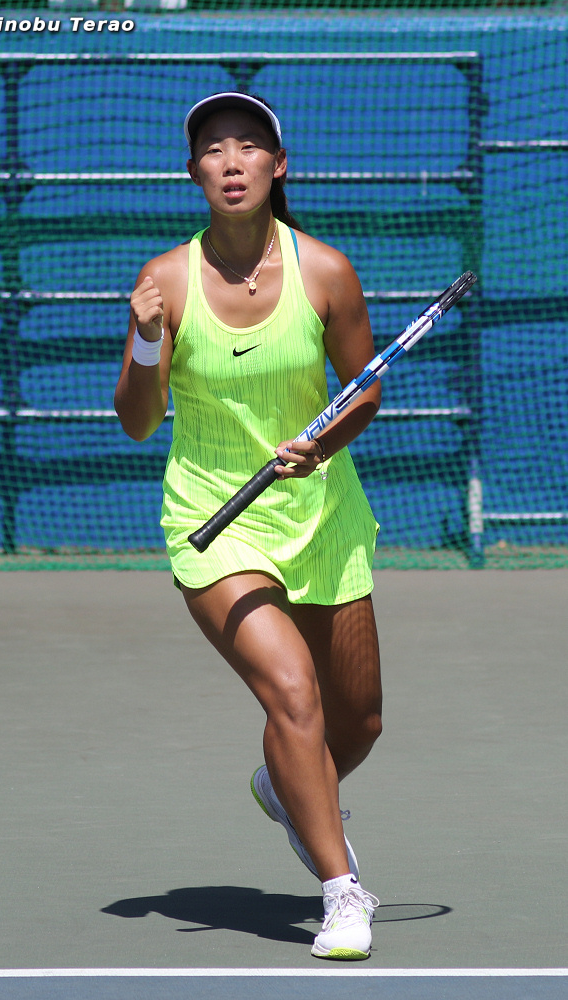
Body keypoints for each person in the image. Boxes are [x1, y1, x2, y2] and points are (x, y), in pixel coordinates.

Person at [114, 92, 382, 961]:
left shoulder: (326, 272)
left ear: (277, 165)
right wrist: (146, 341)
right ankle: (342, 893)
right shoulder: (166, 281)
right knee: (292, 695)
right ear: (193, 171)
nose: (230, 162)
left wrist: (320, 445)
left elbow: (363, 391)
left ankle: (282, 782)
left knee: (358, 722)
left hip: (323, 515)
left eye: (247, 146)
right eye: (212, 149)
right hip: (214, 523)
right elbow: (138, 421)